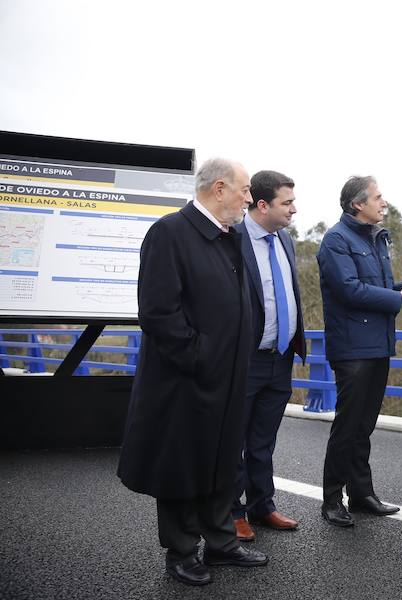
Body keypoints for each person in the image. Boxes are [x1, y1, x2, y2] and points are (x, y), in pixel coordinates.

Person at [117, 158, 268, 587]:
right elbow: (158, 312)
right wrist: (200, 357)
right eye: (243, 190)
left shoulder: (230, 237)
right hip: (186, 381)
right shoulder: (169, 233)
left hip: (228, 377)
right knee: (182, 465)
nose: (248, 198)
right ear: (219, 189)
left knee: (222, 462)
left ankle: (221, 543)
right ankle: (182, 552)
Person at [316, 175, 402, 527]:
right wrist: (398, 297)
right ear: (359, 204)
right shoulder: (336, 240)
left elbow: (381, 287)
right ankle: (331, 499)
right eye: (378, 197)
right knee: (348, 424)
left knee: (364, 425)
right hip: (352, 348)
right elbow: (349, 290)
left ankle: (361, 493)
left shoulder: (377, 239)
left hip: (377, 345)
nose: (384, 202)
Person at [231, 170, 307, 542]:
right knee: (233, 440)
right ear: (262, 205)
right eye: (287, 202)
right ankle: (233, 511)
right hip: (246, 358)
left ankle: (263, 505)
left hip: (281, 360)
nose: (294, 209)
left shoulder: (286, 240)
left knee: (263, 440)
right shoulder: (232, 237)